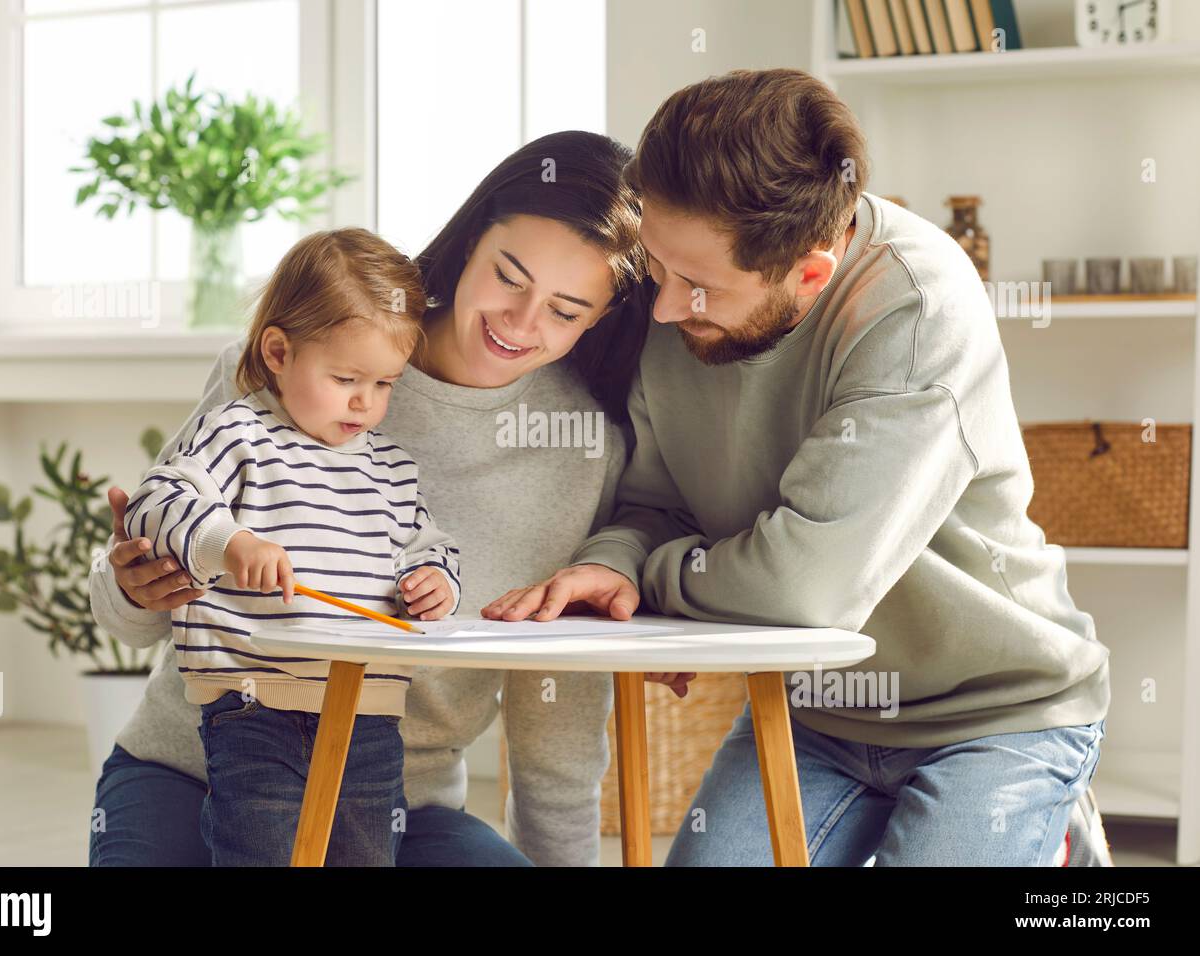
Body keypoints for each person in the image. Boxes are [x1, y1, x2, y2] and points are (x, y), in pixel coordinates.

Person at [483, 69, 1110, 866]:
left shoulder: (920, 307)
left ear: (810, 273)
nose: (666, 310)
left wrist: (661, 582)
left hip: (998, 711)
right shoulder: (675, 287)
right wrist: (613, 566)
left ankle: (1055, 838)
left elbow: (806, 589)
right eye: (658, 268)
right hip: (818, 710)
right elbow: (656, 503)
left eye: (700, 289)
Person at [88, 130, 672, 867]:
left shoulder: (584, 444)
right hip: (195, 767)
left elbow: (556, 710)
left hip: (397, 800)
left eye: (566, 310)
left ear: (599, 318)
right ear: (470, 241)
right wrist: (135, 589)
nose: (522, 323)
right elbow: (129, 610)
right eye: (510, 276)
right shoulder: (300, 355)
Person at [121, 228, 460, 865]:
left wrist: (434, 579)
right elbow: (157, 499)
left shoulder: (391, 468)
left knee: (364, 857)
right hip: (252, 708)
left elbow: (428, 544)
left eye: (385, 384)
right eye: (345, 377)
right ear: (278, 351)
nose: (366, 401)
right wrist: (227, 541)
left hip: (369, 715)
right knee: (261, 854)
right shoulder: (238, 432)